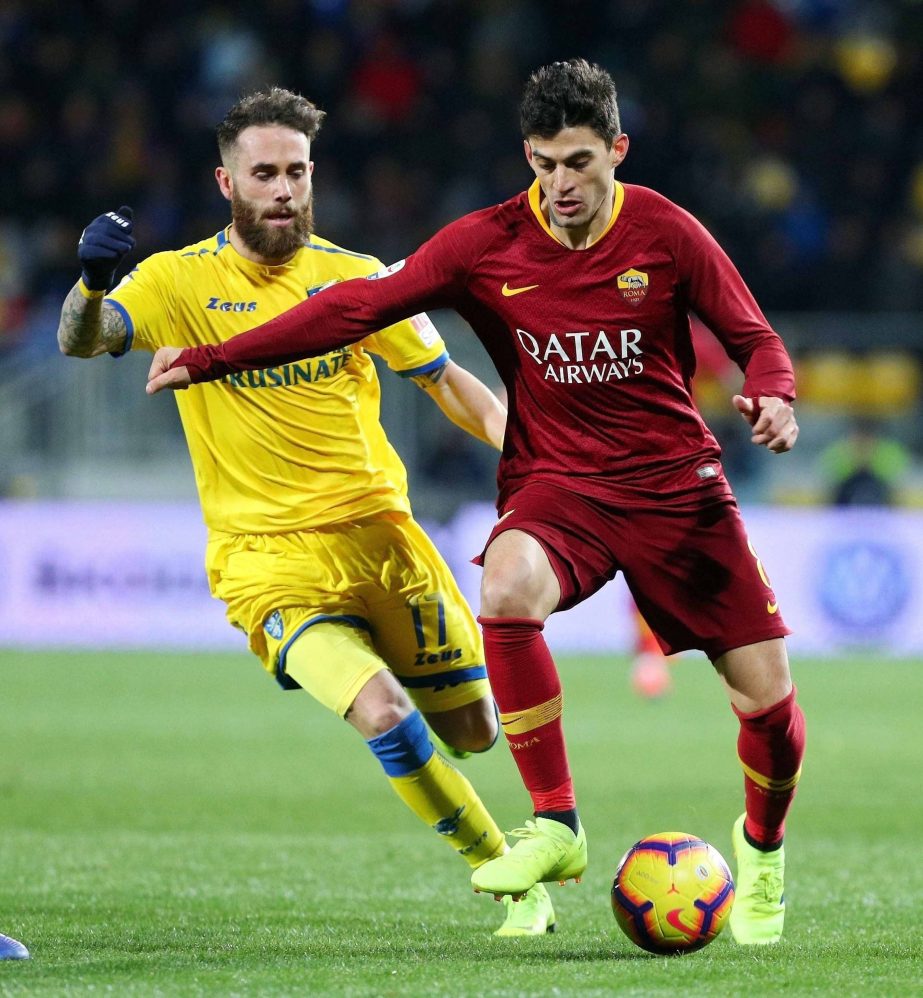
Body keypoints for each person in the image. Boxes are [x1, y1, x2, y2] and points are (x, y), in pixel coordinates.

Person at [146, 61, 807, 946]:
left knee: (768, 709)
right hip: (559, 483)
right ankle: (556, 827)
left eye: (578, 162)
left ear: (616, 149)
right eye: (542, 164)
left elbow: (753, 338)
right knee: (505, 584)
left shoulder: (666, 231)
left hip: (672, 486)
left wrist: (773, 394)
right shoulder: (485, 243)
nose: (561, 185)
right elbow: (357, 306)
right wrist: (216, 356)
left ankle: (759, 850)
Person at [57, 87, 555, 937]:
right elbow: (83, 337)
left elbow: (452, 388)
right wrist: (93, 283)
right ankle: (509, 883)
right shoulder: (179, 281)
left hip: (385, 544)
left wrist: (543, 464)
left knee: (472, 732)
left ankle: (498, 843)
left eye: (296, 171)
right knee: (382, 712)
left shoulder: (359, 279)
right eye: (264, 174)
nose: (283, 188)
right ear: (227, 183)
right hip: (267, 561)